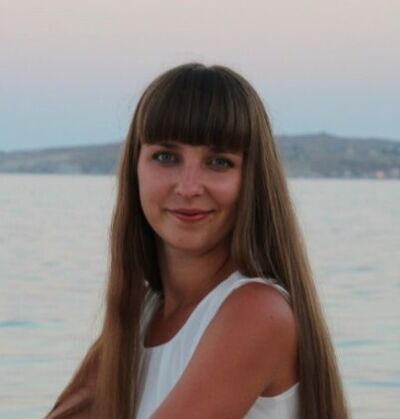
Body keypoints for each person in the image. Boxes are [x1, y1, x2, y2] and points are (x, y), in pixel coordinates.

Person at [44, 63, 349, 419]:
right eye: (166, 157)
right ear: (135, 169)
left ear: (251, 180)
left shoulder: (256, 312)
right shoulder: (141, 314)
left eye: (219, 162)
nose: (188, 187)